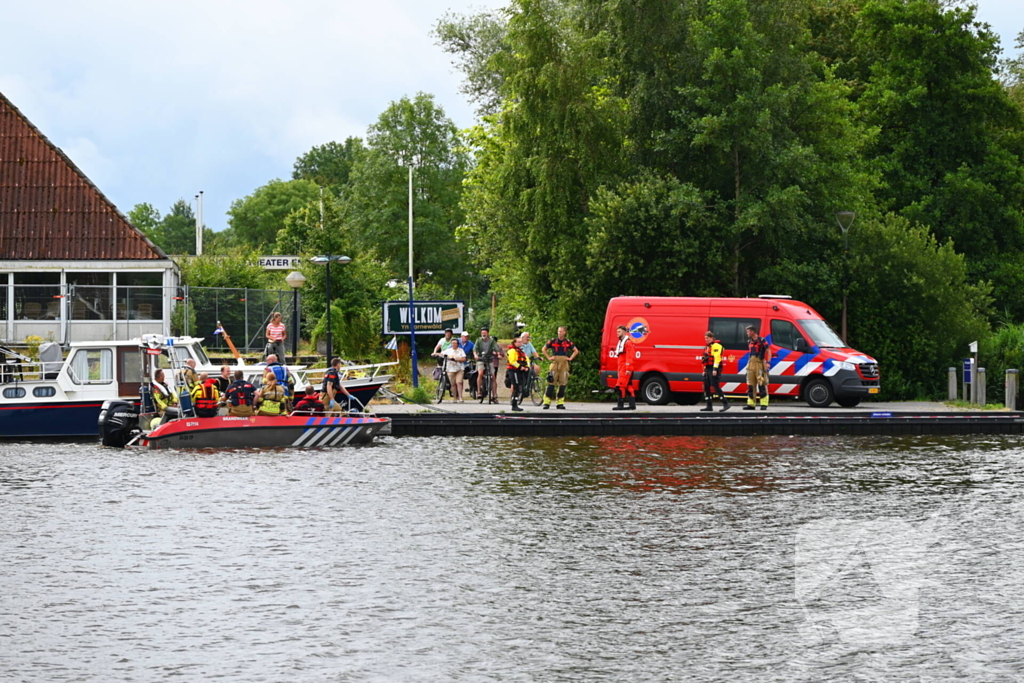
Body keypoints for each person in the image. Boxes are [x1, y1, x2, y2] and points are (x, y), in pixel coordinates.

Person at [543, 326, 578, 410]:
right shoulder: (552, 341)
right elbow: (544, 349)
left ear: (564, 332)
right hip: (555, 362)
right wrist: (548, 357)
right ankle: (547, 402)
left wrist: (570, 358)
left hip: (564, 363)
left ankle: (560, 402)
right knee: (551, 382)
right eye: (558, 331)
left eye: (561, 331)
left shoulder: (567, 341)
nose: (559, 333)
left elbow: (576, 351)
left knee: (563, 383)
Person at [700, 331, 730, 412]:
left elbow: (717, 358)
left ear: (712, 338)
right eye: (705, 338)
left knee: (715, 385)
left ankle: (725, 403)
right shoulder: (707, 347)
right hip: (708, 368)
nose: (706, 340)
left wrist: (715, 369)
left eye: (708, 338)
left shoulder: (716, 346)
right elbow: (705, 360)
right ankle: (709, 406)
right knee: (706, 386)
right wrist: (704, 370)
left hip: (714, 368)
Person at [745, 324, 772, 411]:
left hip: (760, 363)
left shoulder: (762, 340)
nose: (747, 333)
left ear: (753, 332)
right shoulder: (749, 341)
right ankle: (751, 404)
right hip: (751, 363)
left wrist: (768, 362)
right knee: (750, 384)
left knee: (762, 383)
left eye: (748, 331)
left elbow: (768, 350)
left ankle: (764, 404)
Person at [612, 325, 636, 411]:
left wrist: (628, 368)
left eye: (619, 331)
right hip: (622, 367)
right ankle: (632, 405)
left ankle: (620, 405)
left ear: (624, 332)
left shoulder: (627, 343)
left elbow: (630, 356)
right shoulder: (622, 342)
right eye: (617, 331)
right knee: (628, 386)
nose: (617, 333)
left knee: (620, 386)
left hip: (625, 368)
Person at [474, 326, 501, 401]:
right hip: (480, 358)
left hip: (489, 359)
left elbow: (496, 347)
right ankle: (479, 391)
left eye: (485, 333)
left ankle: (494, 395)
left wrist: (498, 354)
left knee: (493, 376)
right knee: (480, 373)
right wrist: (476, 355)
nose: (483, 334)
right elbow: (475, 349)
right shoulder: (478, 340)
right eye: (482, 333)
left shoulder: (492, 340)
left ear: (488, 333)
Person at [505, 335, 530, 411]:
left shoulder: (521, 351)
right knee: (516, 387)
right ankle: (514, 404)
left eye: (521, 342)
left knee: (519, 387)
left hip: (520, 371)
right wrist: (520, 367)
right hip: (513, 371)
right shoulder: (511, 351)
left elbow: (527, 359)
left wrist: (527, 367)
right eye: (518, 342)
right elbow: (512, 361)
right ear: (514, 343)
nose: (520, 343)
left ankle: (515, 403)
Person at [441, 338, 467, 403]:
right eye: (452, 343)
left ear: (457, 344)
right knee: (453, 384)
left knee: (459, 382)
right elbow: (441, 354)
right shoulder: (448, 350)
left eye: (455, 343)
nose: (453, 344)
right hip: (450, 369)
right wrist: (435, 354)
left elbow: (464, 359)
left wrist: (457, 359)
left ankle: (460, 397)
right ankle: (455, 397)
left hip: (459, 369)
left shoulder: (461, 350)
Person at [459, 331, 476, 397]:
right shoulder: (456, 342)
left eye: (467, 336)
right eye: (465, 336)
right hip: (458, 362)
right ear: (461, 336)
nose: (466, 338)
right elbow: (450, 348)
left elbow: (475, 349)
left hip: (466, 362)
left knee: (472, 370)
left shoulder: (470, 343)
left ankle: (472, 386)